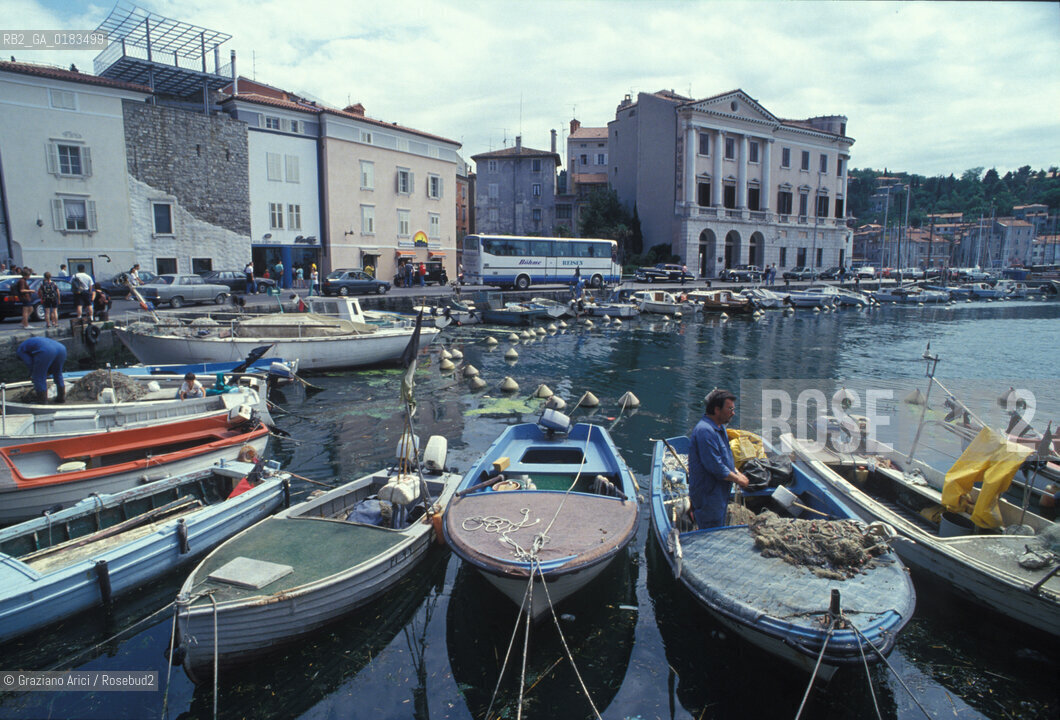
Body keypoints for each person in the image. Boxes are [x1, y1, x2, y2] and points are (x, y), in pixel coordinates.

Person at [688, 389, 750, 529]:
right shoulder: (705, 431)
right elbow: (715, 466)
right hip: (708, 495)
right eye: (730, 409)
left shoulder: (719, 427)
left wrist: (737, 472)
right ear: (717, 410)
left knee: (718, 525)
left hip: (719, 493)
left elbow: (725, 458)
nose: (733, 413)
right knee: (711, 531)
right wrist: (738, 479)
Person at [17, 336, 66, 404]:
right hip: (61, 348)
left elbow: (29, 363)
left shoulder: (20, 351)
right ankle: (61, 398)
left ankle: (42, 401)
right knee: (57, 373)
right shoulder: (29, 344)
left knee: (38, 376)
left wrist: (32, 374)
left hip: (46, 350)